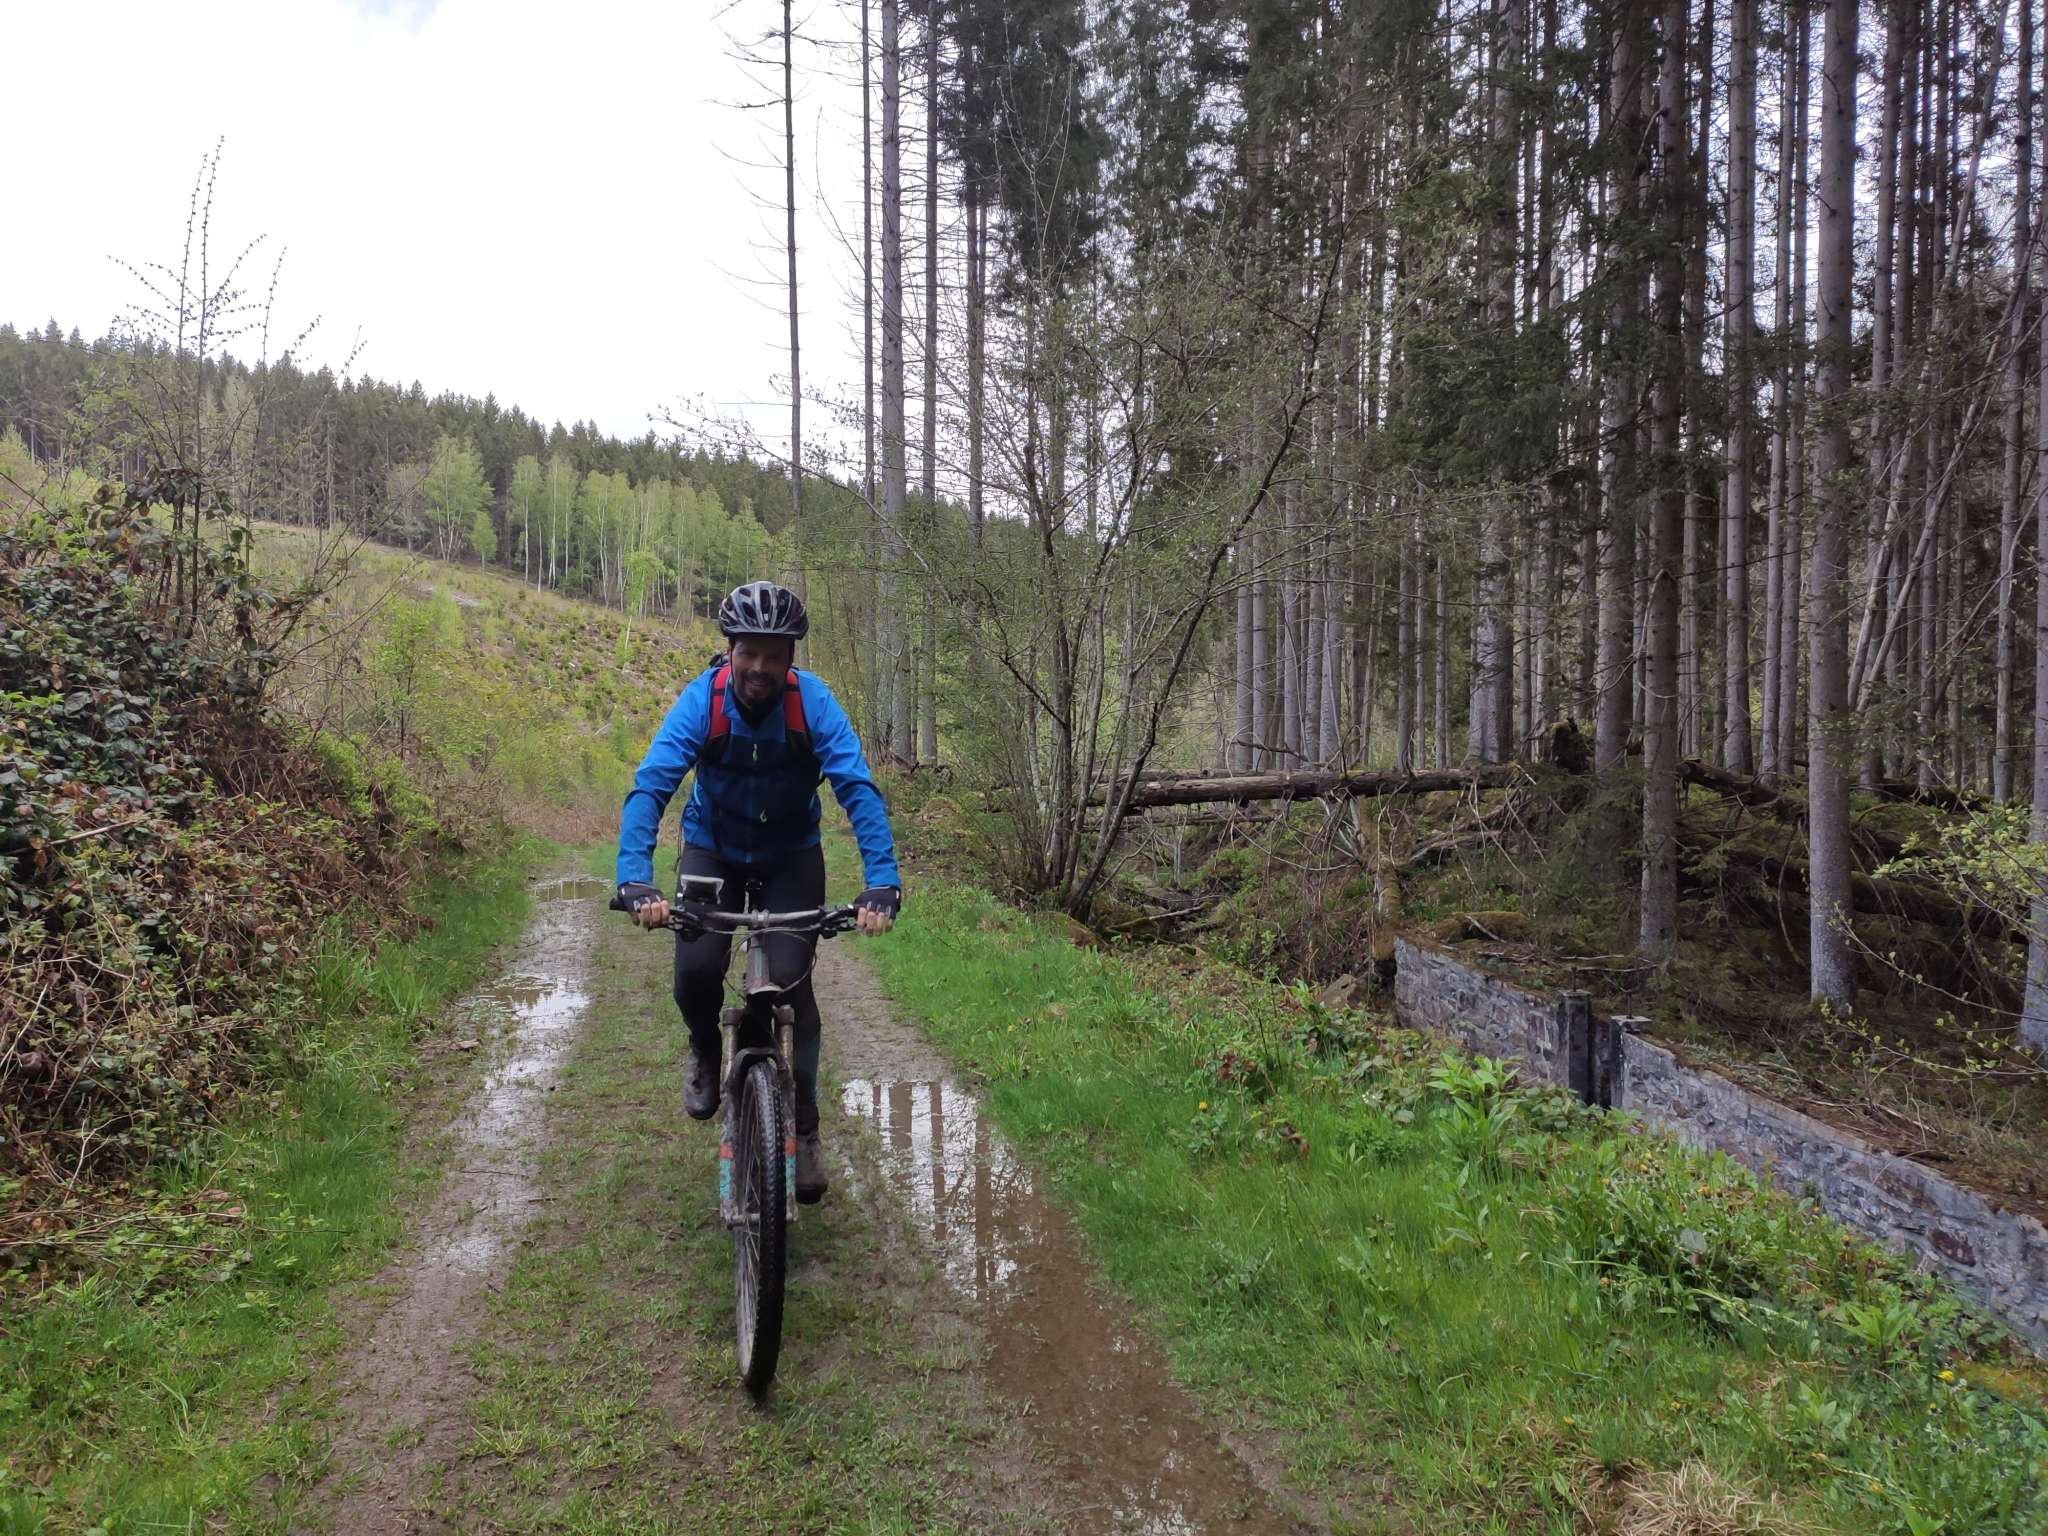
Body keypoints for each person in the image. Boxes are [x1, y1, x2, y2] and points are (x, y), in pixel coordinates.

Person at [613, 579, 901, 1205]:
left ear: (792, 657)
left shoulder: (813, 704)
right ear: (730, 650)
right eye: (749, 652)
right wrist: (635, 876)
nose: (760, 667)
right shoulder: (704, 700)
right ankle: (703, 1048)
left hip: (789, 856)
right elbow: (652, 784)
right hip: (712, 849)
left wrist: (882, 881)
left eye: (774, 654)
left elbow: (857, 788)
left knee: (792, 985)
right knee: (695, 970)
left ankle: (805, 1128)